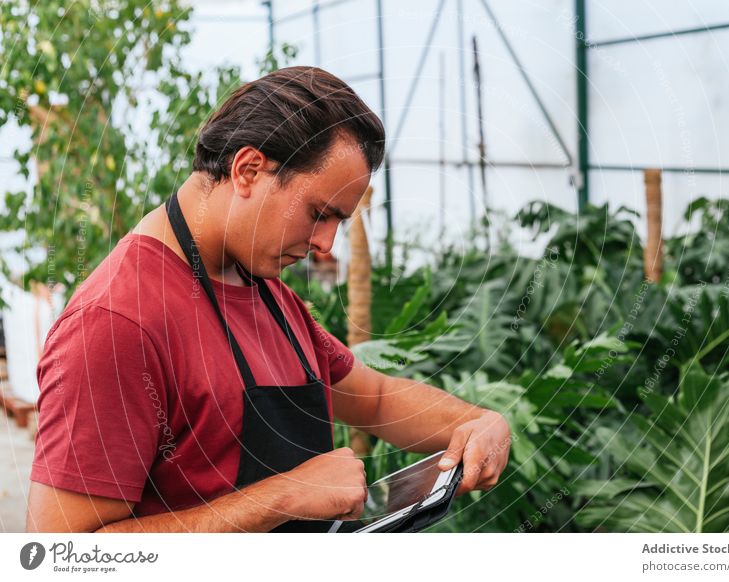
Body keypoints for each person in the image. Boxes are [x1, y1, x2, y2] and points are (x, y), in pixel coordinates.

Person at [25, 66, 511, 533]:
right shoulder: (116, 322)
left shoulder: (263, 289)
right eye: (320, 213)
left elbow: (377, 400)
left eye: (340, 221)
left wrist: (476, 423)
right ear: (248, 170)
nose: (326, 244)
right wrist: (281, 496)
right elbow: (62, 554)